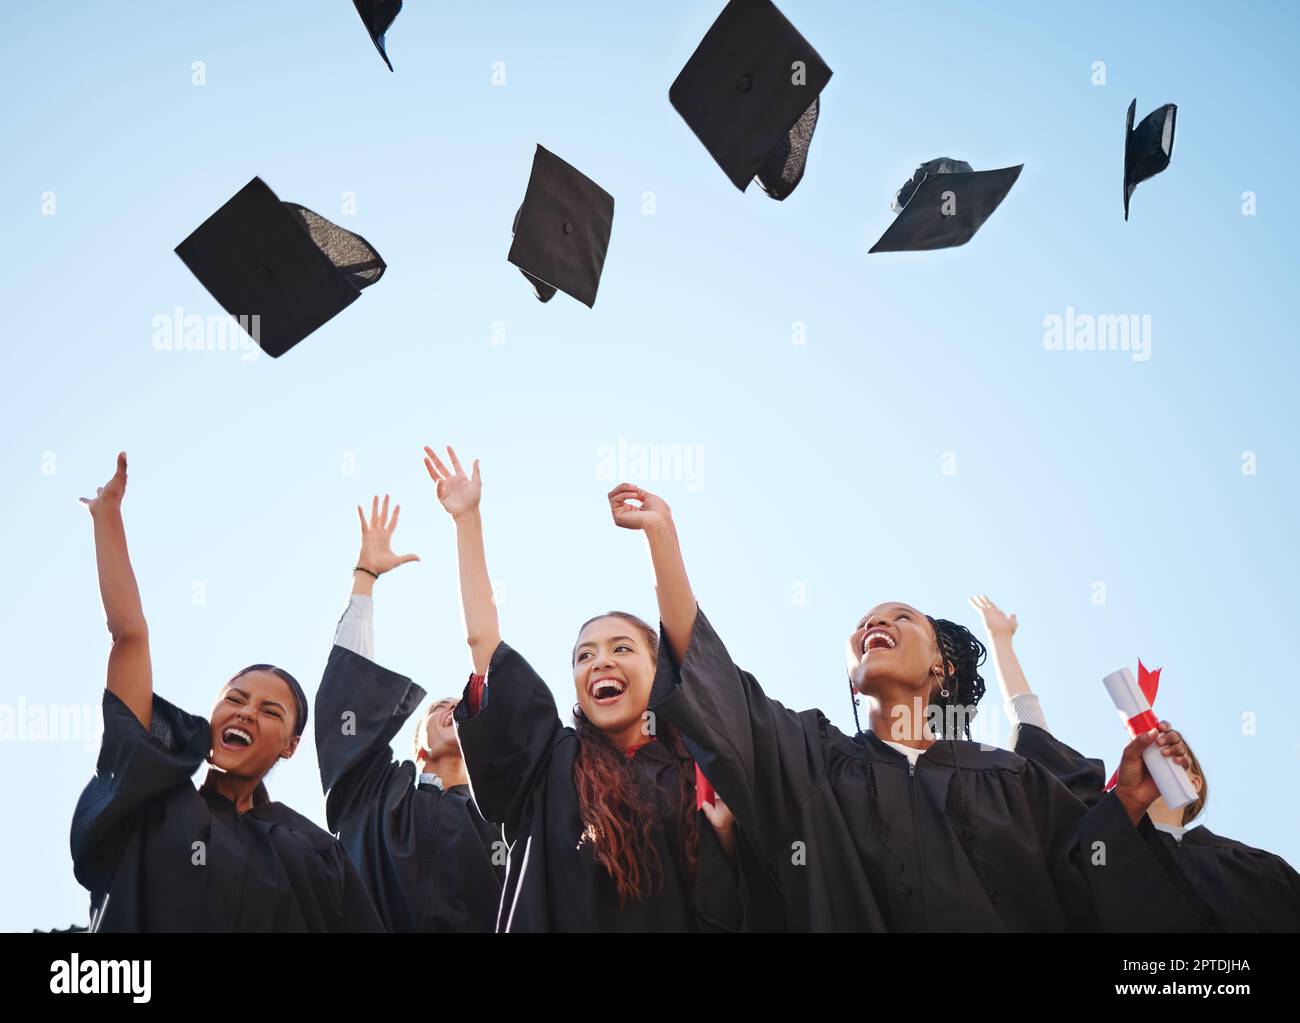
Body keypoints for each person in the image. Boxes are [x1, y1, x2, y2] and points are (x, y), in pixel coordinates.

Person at [612, 481, 1215, 931]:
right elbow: (716, 684)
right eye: (865, 623)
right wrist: (663, 537)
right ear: (853, 680)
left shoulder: (1012, 780)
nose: (877, 621)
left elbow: (1088, 876)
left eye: (901, 617)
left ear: (941, 666)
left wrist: (1131, 801)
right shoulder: (811, 762)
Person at [425, 446, 745, 931]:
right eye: (584, 655)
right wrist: (467, 522)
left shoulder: (695, 774)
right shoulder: (551, 764)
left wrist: (729, 839)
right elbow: (484, 646)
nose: (600, 663)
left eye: (621, 648)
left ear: (657, 672)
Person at [70, 453, 384, 932]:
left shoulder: (318, 852)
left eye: (270, 711)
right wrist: (108, 519)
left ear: (291, 745)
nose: (246, 713)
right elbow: (130, 637)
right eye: (235, 699)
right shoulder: (154, 798)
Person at [971, 593, 1300, 932]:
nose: (1159, 752)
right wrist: (1001, 641)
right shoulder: (1096, 837)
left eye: (1174, 751)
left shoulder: (1256, 868)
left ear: (1196, 782)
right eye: (1147, 750)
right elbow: (1033, 728)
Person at [314, 494, 504, 932]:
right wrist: (364, 579)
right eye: (441, 707)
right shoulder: (373, 796)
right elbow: (348, 691)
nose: (454, 709)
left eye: (462, 707)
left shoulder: (505, 819)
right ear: (416, 744)